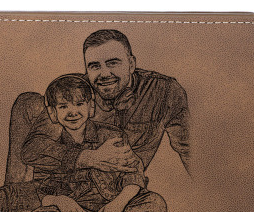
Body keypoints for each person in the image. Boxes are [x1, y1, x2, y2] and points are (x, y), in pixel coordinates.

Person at [19, 29, 190, 187]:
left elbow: (191, 152)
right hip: (70, 190)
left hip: (124, 189)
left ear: (131, 64)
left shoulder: (165, 91)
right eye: (95, 66)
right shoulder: (74, 94)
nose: (105, 74)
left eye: (113, 63)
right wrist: (89, 158)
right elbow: (32, 149)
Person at [24, 74, 167, 212]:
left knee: (155, 204)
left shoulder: (112, 135)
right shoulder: (49, 149)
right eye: (63, 106)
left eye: (79, 104)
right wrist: (60, 201)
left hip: (114, 204)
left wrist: (118, 205)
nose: (73, 112)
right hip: (74, 211)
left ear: (91, 107)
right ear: (53, 113)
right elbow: (41, 188)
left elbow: (133, 174)